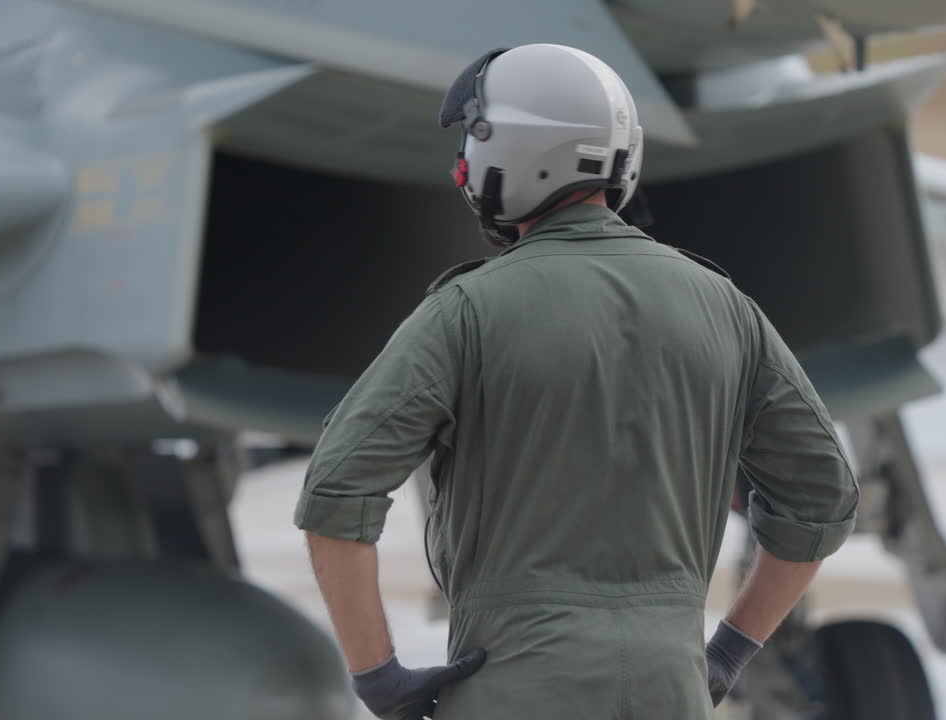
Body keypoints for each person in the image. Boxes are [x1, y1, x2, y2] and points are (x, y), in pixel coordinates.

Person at [294, 43, 859, 720]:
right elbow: (821, 500)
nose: (460, 170)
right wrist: (729, 651)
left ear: (515, 150)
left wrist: (377, 676)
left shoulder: (465, 314)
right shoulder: (724, 307)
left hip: (512, 692)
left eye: (473, 144)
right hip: (671, 694)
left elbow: (335, 493)